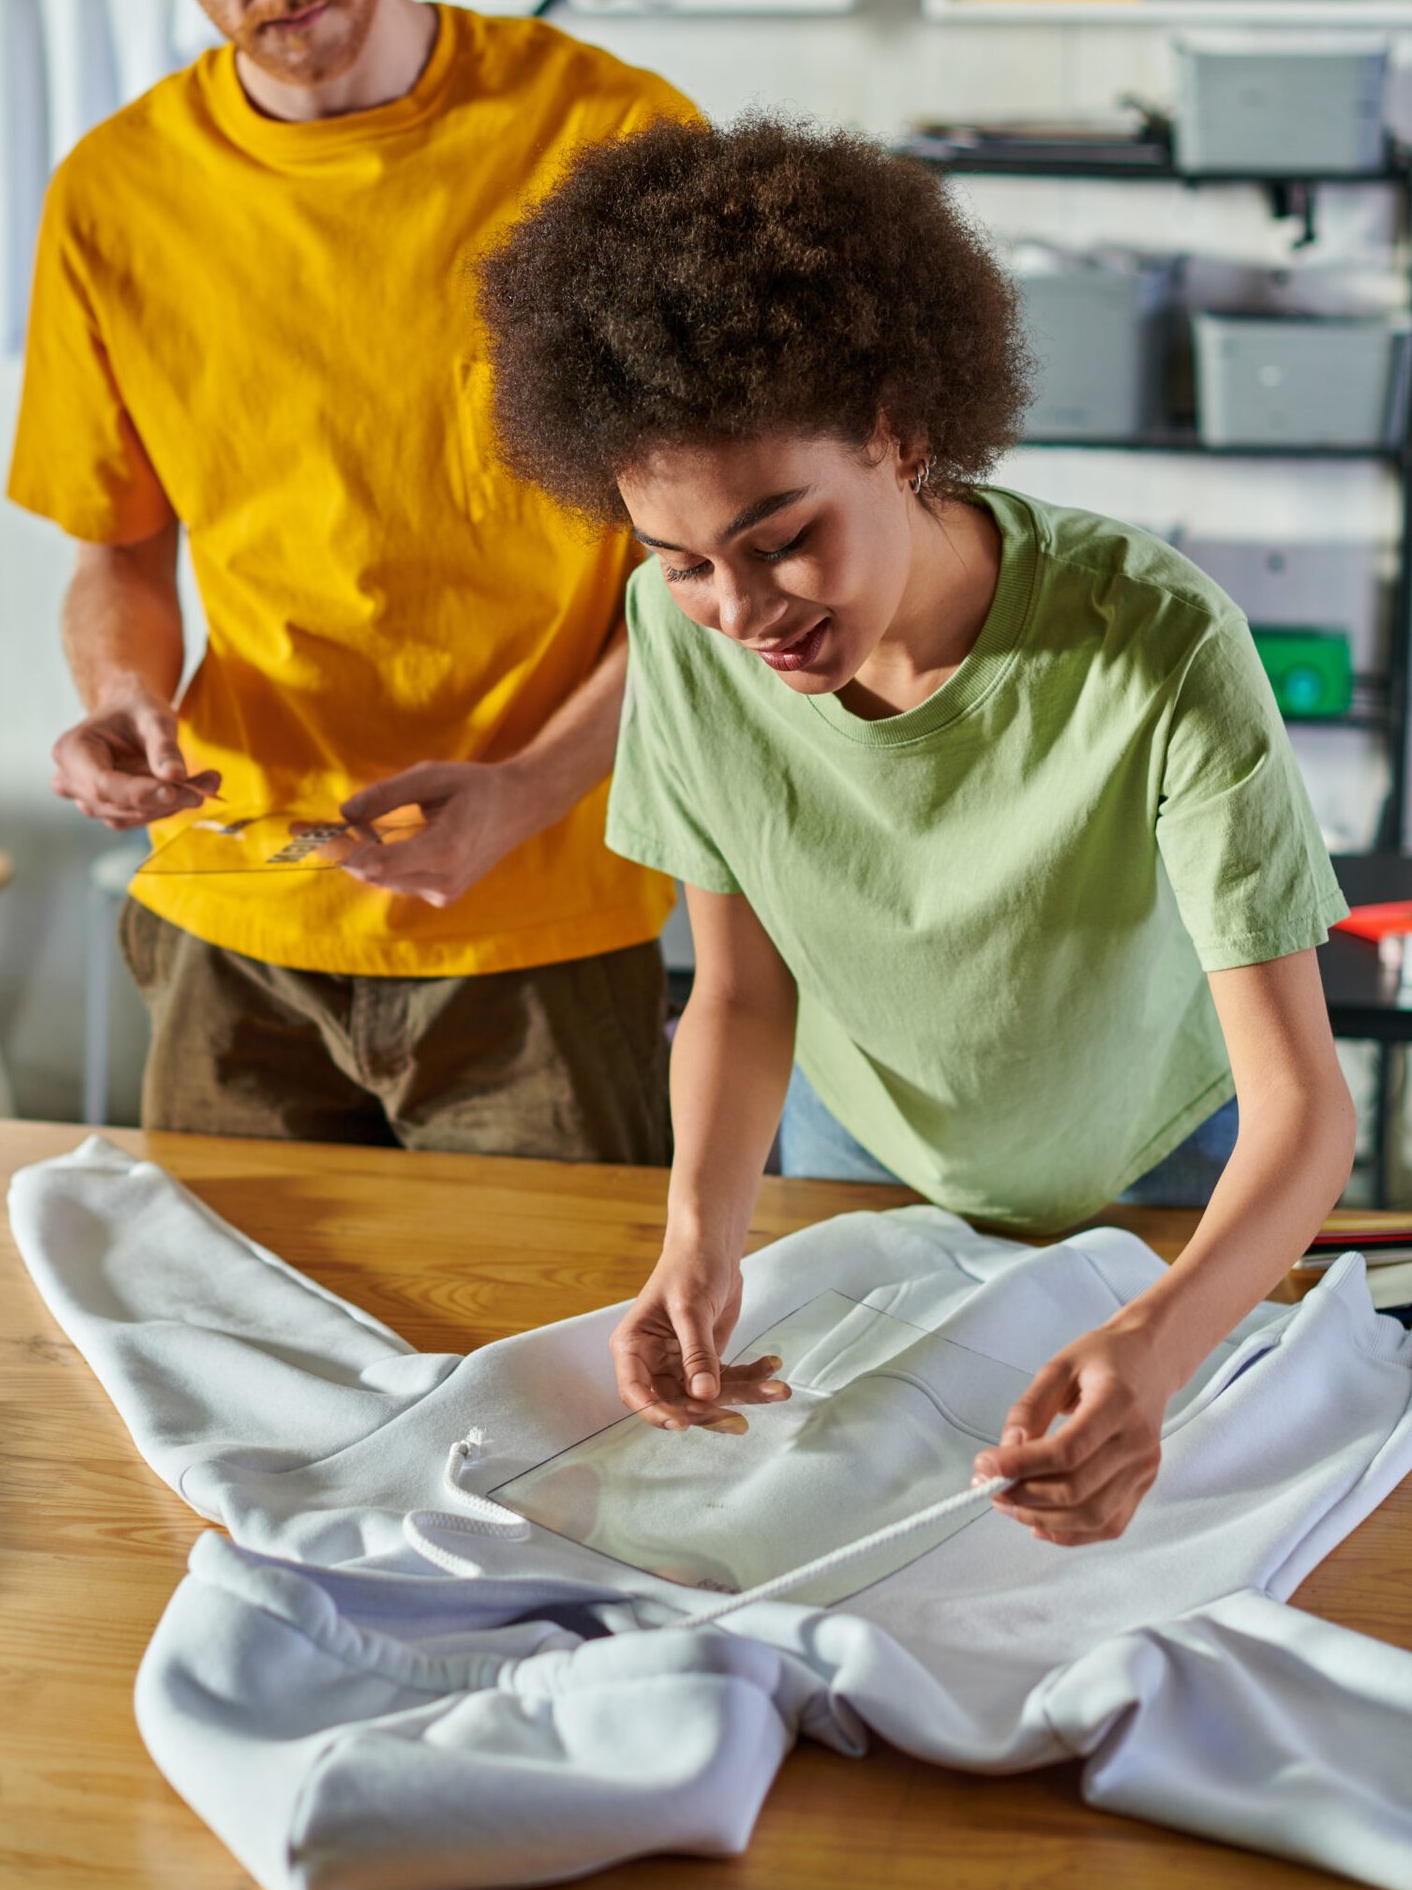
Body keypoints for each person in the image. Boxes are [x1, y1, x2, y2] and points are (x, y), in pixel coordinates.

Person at [476, 112, 1356, 1546]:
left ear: (899, 433)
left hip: (1153, 1178)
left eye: (782, 539)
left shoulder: (1159, 642)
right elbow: (744, 995)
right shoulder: (681, 640)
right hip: (849, 1155)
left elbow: (1306, 1107)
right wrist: (700, 1247)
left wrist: (1158, 1339)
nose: (743, 613)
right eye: (686, 560)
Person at [8, 0, 694, 1157]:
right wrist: (120, 702)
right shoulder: (113, 200)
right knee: (212, 1370)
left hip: (538, 922)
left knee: (556, 1379)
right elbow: (118, 550)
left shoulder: (612, 143)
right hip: (231, 907)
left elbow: (713, 577)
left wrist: (524, 793)